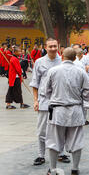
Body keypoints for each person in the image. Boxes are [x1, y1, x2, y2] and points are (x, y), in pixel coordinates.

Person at [40, 48, 89, 175]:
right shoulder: (80, 72)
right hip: (75, 110)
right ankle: (75, 168)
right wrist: (82, 97)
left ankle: (53, 170)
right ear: (75, 58)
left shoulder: (53, 71)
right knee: (76, 139)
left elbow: (45, 91)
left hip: (57, 110)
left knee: (54, 140)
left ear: (62, 57)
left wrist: (54, 96)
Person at [30, 38, 70, 166]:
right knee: (42, 129)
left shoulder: (63, 61)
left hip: (61, 100)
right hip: (44, 100)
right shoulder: (39, 62)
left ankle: (61, 153)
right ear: (45, 47)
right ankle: (41, 155)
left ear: (58, 47)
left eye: (55, 46)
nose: (53, 49)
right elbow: (35, 83)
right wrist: (35, 100)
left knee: (61, 128)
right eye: (50, 46)